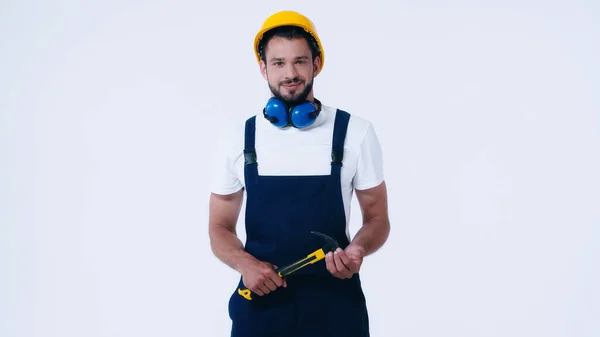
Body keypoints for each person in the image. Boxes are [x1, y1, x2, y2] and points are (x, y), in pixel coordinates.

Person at [208, 10, 390, 337]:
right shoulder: (239, 139)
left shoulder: (355, 133)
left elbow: (378, 218)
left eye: (300, 61)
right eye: (278, 63)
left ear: (316, 64)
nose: (290, 73)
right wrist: (244, 264)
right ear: (263, 67)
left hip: (337, 307)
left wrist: (358, 249)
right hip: (261, 306)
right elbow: (219, 227)